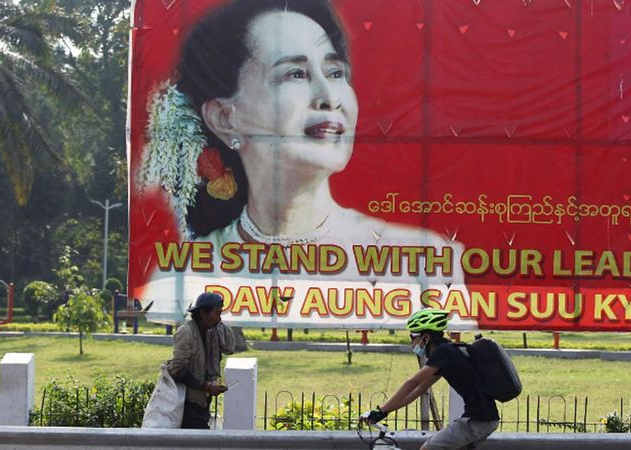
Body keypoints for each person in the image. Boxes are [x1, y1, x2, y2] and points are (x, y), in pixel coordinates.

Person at [137, 0, 466, 325]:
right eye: (295, 74)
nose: (329, 96)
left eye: (335, 72)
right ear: (225, 117)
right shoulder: (186, 271)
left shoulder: (424, 258)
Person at [360, 309, 499, 450]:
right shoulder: (447, 353)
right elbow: (418, 389)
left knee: (428, 448)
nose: (411, 342)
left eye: (413, 336)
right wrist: (385, 412)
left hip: (477, 421)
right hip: (482, 419)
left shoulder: (444, 352)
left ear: (426, 337)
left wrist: (381, 411)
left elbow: (412, 382)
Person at [168, 292, 236, 429]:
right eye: (216, 313)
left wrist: (219, 324)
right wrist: (206, 387)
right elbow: (177, 369)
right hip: (187, 406)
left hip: (203, 403)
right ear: (203, 313)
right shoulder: (186, 332)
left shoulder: (212, 332)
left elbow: (230, 348)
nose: (219, 317)